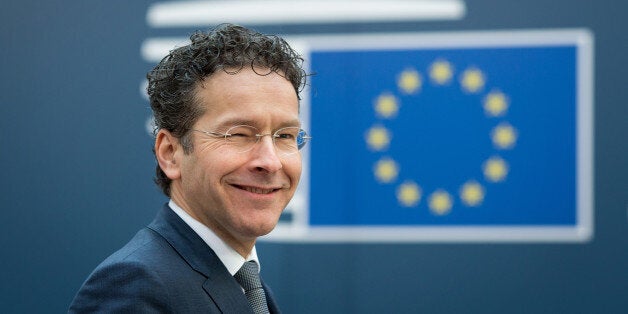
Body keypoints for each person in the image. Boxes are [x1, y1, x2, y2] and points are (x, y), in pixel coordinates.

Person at [69, 24, 309, 313]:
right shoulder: (135, 287)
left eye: (285, 136)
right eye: (238, 134)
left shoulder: (248, 286)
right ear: (170, 153)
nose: (270, 162)